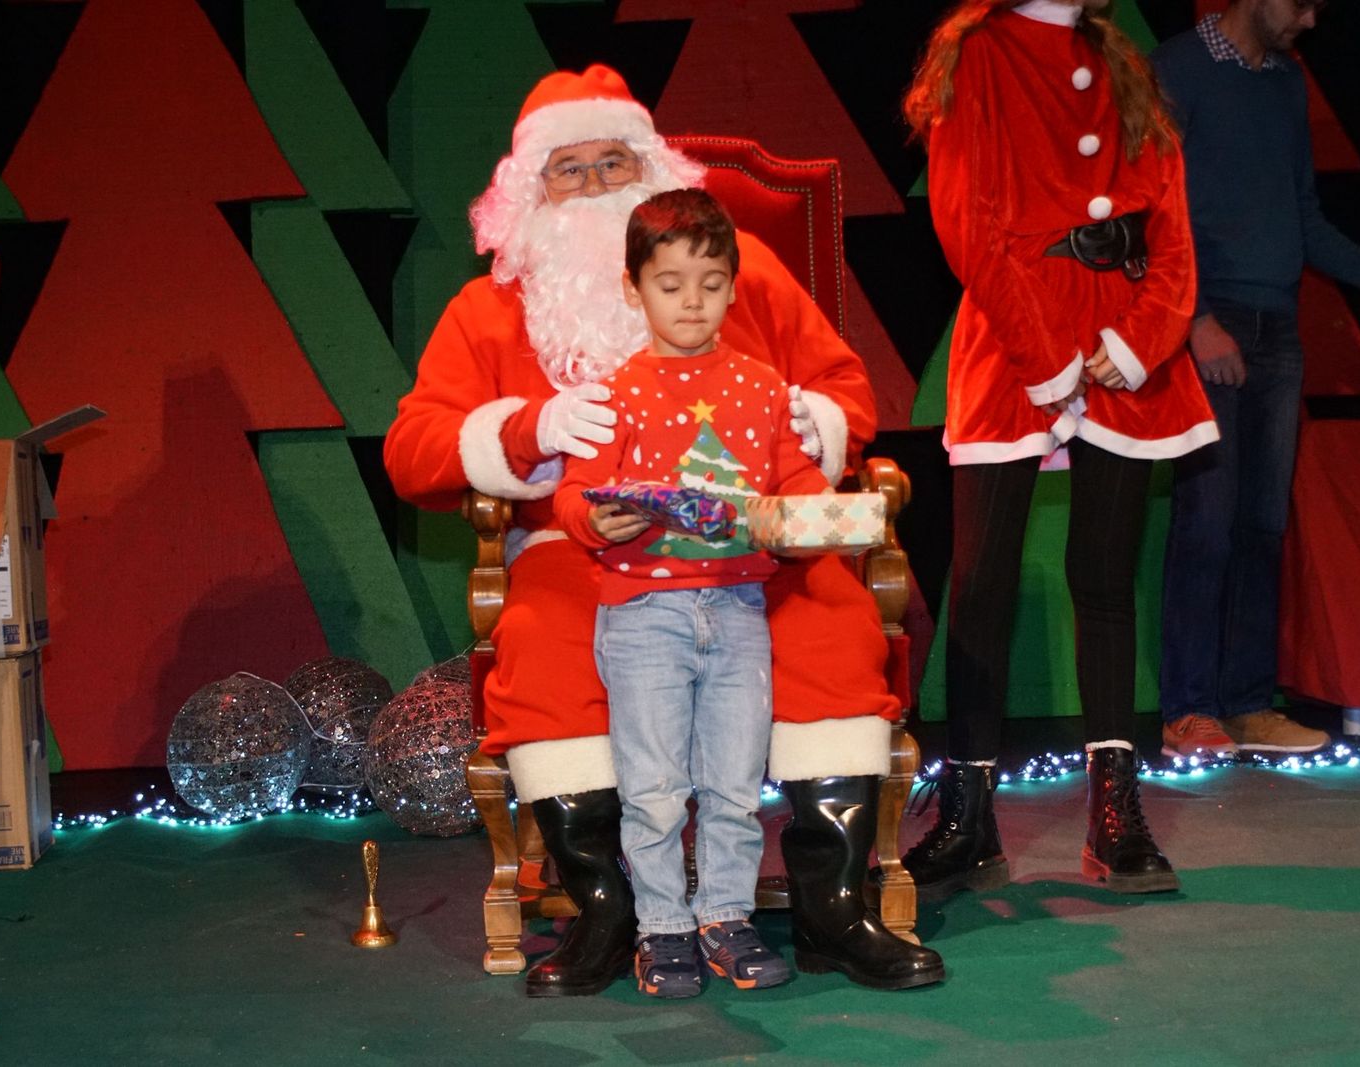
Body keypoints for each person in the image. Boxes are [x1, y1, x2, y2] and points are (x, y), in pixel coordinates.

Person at [385, 65, 944, 995]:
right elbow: (413, 449)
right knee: (547, 644)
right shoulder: (488, 308)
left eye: (617, 162)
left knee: (836, 624)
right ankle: (609, 914)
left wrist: (807, 423)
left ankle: (832, 908)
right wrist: (530, 429)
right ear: (529, 190)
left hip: (749, 547)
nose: (599, 187)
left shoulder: (741, 275)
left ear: (653, 171)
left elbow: (845, 387)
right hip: (585, 545)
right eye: (572, 170)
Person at [901, 0, 1216, 898]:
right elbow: (968, 222)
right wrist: (1046, 360)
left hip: (1122, 332)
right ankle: (969, 817)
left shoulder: (1124, 62)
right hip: (1014, 337)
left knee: (1106, 579)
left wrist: (1137, 340)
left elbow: (1176, 233)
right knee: (984, 579)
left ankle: (1114, 816)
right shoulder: (978, 54)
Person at [553, 189, 830, 997]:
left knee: (736, 786)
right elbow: (574, 493)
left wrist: (805, 513)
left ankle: (726, 916)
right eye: (669, 284)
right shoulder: (615, 393)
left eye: (709, 283)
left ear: (734, 287)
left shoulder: (762, 387)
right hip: (643, 614)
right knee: (655, 789)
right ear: (634, 287)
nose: (691, 302)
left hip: (737, 608)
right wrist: (596, 517)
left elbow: (794, 480)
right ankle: (664, 926)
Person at [1152, 0, 1360, 759]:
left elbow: (1303, 216)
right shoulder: (1177, 70)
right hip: (1209, 325)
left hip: (1278, 328)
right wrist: (1194, 320)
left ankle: (1248, 704)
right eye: (1304, 2)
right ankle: (1188, 708)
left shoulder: (1285, 82)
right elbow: (1154, 211)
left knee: (1261, 525)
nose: (1312, 19)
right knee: (1207, 522)